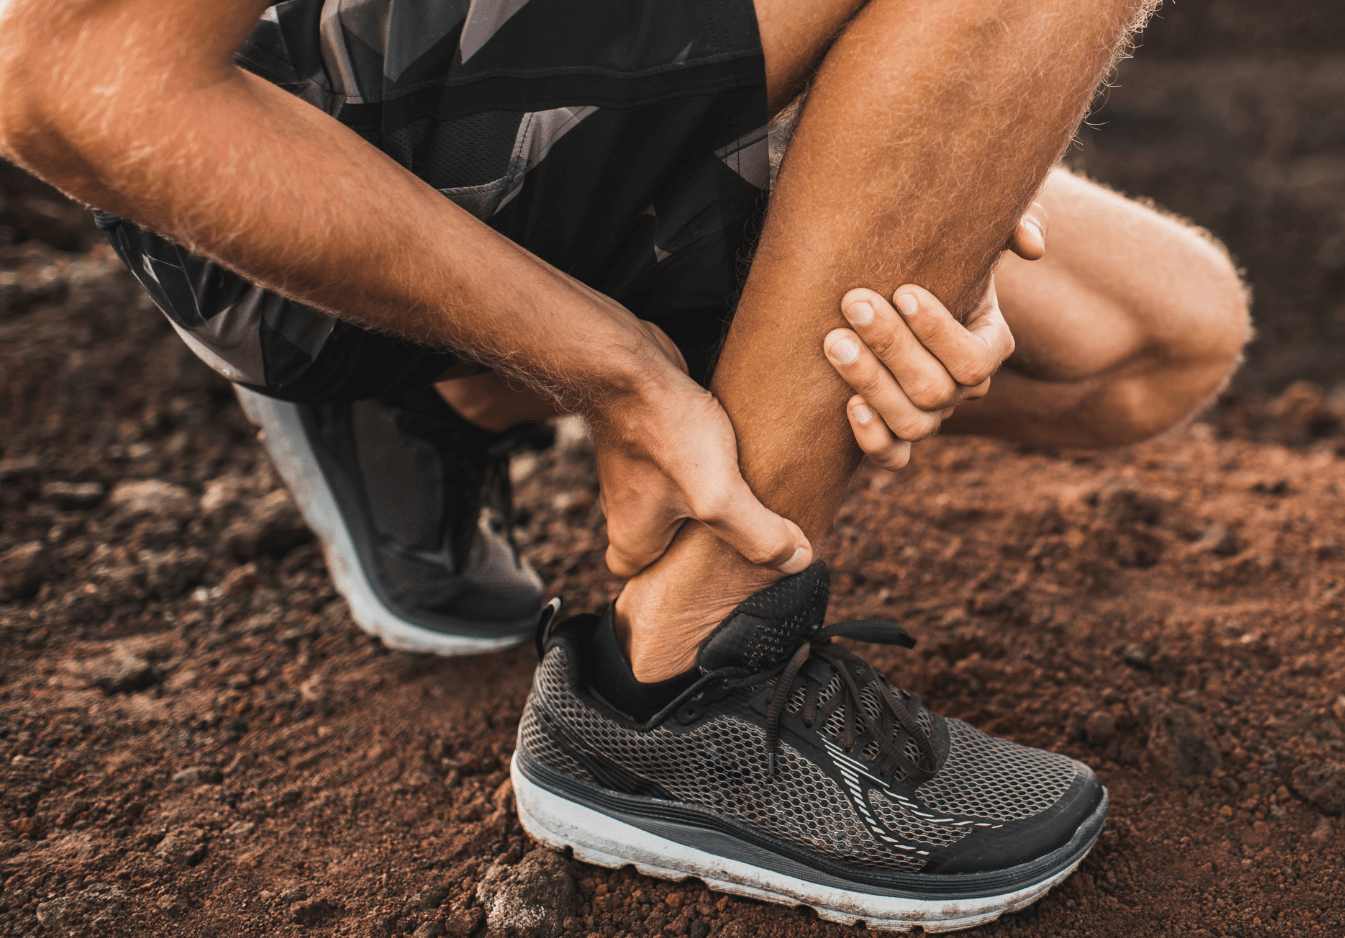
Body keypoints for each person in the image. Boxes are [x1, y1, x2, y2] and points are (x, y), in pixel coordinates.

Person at [0, 0, 1249, 929]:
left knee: (1158, 337)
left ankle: (444, 383)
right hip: (251, 150)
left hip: (569, 82)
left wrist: (950, 173)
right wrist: (616, 371)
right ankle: (674, 677)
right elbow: (62, 78)